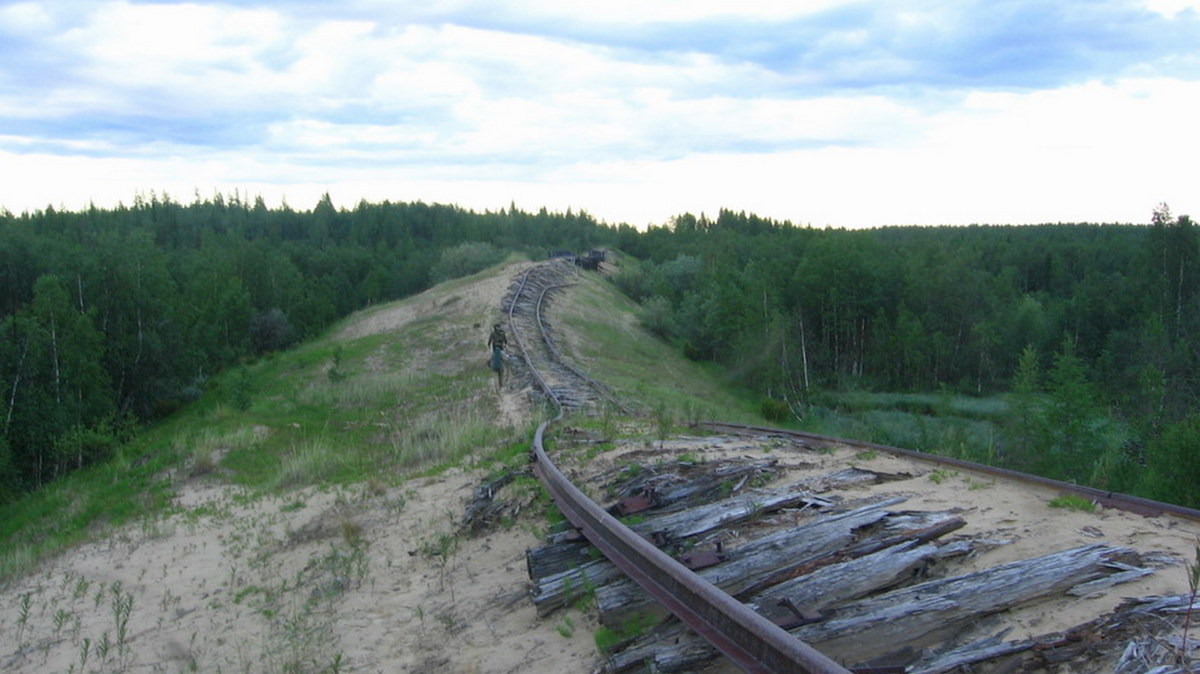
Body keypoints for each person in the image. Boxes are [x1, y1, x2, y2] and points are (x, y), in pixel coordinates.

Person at [487, 323, 508, 389]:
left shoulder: (493, 333)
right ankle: (502, 383)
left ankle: (490, 365)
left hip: (495, 350)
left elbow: (489, 342)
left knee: (491, 360)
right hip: (501, 350)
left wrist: (489, 346)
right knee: (505, 361)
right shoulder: (502, 333)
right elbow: (506, 341)